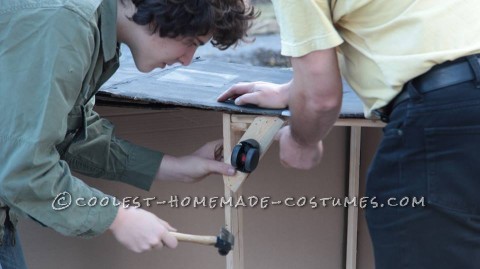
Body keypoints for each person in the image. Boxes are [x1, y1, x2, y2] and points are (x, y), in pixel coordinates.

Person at [218, 0, 480, 268]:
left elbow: (321, 100)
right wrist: (294, 89)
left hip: (444, 119)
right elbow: (390, 25)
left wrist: (301, 141)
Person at [0, 0, 257, 268]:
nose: (187, 60)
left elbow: (67, 132)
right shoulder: (65, 23)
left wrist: (172, 167)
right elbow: (22, 170)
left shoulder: (90, 23)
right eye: (191, 41)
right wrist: (117, 217)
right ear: (163, 13)